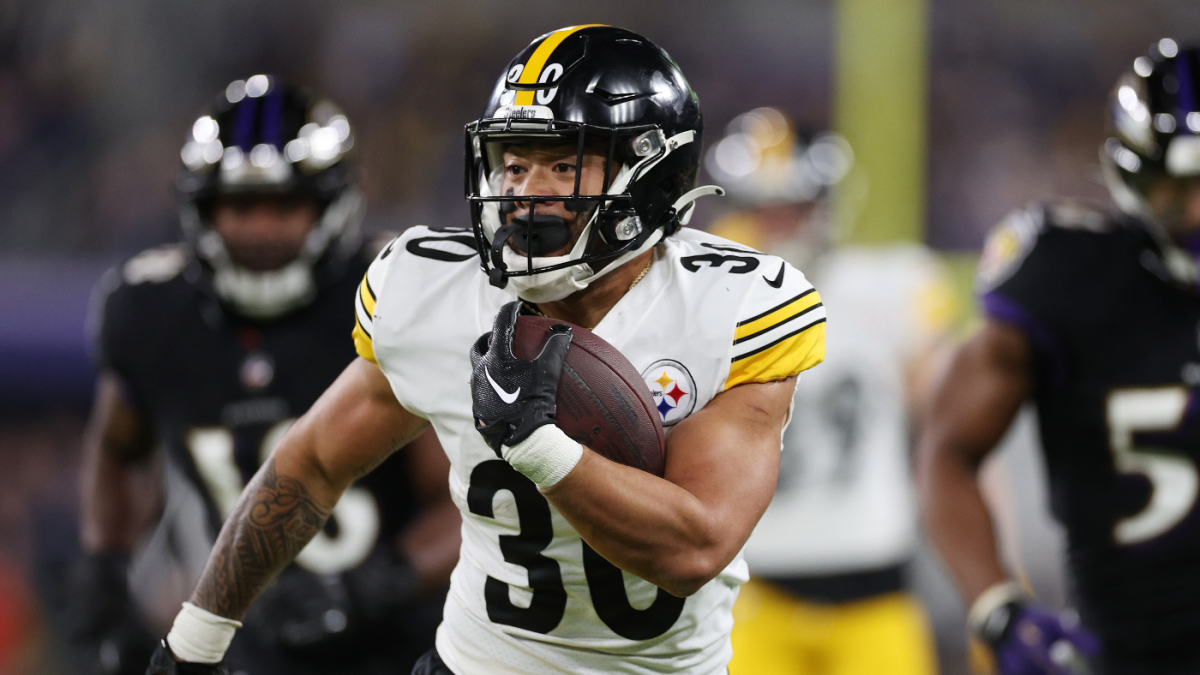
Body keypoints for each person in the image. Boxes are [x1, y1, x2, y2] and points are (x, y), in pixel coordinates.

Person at [144, 25, 827, 675]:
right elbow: (311, 462)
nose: (527, 194)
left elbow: (695, 545)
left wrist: (539, 446)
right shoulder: (436, 291)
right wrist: (197, 636)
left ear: (651, 173)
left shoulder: (734, 307)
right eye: (514, 163)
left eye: (562, 164)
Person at [74, 76, 459, 675]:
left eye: (284, 207)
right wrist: (105, 574)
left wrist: (379, 584)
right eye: (238, 206)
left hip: (404, 635)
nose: (258, 229)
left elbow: (468, 497)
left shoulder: (397, 300)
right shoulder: (150, 311)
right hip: (240, 635)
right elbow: (119, 450)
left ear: (333, 205)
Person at [918, 39, 1200, 675]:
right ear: (1134, 176)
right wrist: (996, 603)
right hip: (1129, 653)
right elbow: (948, 450)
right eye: (1180, 187)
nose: (1199, 210)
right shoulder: (1068, 277)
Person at [705, 109, 944, 675]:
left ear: (824, 204)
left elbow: (950, 436)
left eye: (790, 206)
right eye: (761, 208)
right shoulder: (703, 302)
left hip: (875, 587)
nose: (776, 224)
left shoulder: (891, 286)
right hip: (750, 591)